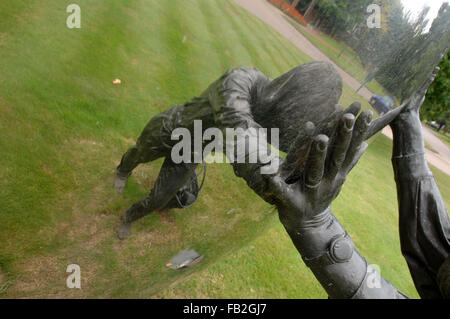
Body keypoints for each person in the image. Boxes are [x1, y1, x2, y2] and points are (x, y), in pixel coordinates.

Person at [115, 61, 343, 239]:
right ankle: (123, 170)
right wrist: (266, 169)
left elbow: (282, 141)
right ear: (292, 93)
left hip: (189, 152)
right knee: (139, 154)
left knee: (158, 198)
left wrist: (313, 154)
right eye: (298, 115)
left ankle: (128, 217)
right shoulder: (241, 79)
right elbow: (236, 122)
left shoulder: (268, 113)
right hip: (169, 128)